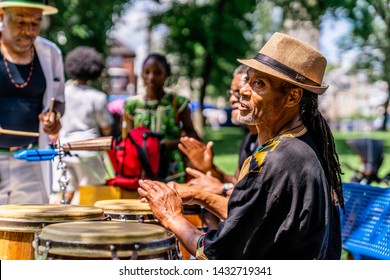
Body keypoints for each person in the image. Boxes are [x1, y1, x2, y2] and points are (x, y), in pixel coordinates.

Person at [138, 32, 345, 260]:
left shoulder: (280, 160)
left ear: (293, 97)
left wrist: (171, 217)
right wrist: (199, 195)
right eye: (248, 79)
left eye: (259, 84)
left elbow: (218, 256)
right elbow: (253, 217)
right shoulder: (298, 146)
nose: (244, 91)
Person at [0, 1, 64, 204]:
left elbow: (59, 100)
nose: (28, 31)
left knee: (29, 228)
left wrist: (54, 116)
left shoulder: (50, 53)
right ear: (2, 15)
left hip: (31, 159)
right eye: (20, 22)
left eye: (35, 23)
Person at [179, 65, 258, 197]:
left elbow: (253, 200)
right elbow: (237, 183)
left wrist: (223, 189)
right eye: (232, 93)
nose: (232, 99)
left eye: (239, 93)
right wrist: (208, 168)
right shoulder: (249, 139)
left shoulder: (271, 143)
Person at [51, 46, 114, 204]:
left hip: (63, 149)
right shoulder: (97, 97)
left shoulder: (63, 91)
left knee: (64, 193)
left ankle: (57, 225)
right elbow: (106, 127)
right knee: (91, 198)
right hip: (89, 152)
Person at [123, 53, 199, 183]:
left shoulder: (177, 103)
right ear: (141, 74)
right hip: (142, 168)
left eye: (157, 73)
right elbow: (127, 139)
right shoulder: (132, 105)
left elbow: (192, 135)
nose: (151, 77)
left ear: (166, 74)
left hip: (171, 168)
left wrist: (166, 145)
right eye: (147, 72)